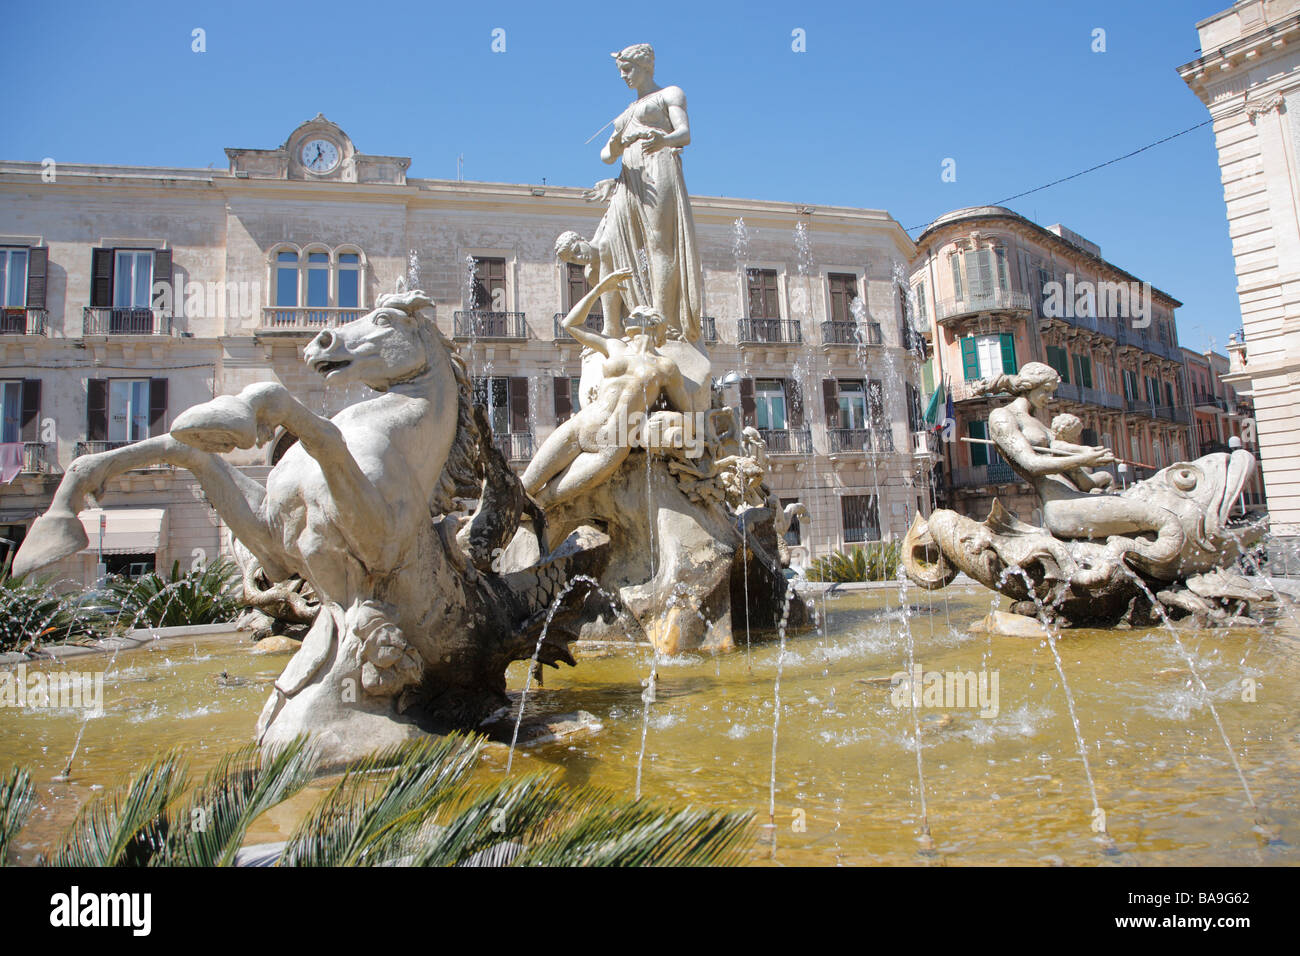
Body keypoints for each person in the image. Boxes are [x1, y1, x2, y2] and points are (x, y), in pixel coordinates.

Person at [522, 268, 694, 509]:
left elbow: (688, 412)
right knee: (524, 487)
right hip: (582, 423)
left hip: (613, 442)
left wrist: (660, 421)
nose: (627, 319)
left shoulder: (666, 367)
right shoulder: (615, 346)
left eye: (634, 316)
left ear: (652, 324)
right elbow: (571, 324)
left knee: (544, 502)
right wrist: (600, 289)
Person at [598, 43, 702, 344]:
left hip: (658, 165)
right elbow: (606, 154)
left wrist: (664, 139)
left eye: (627, 69)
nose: (623, 76)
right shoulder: (626, 112)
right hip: (627, 178)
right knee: (608, 245)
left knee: (660, 243)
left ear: (645, 66)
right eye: (620, 71)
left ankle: (662, 320)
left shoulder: (670, 93)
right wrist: (619, 143)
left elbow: (686, 134)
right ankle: (612, 326)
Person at [1048, 412, 1114, 493]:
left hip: (1084, 477)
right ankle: (1104, 495)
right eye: (1074, 435)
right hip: (1085, 482)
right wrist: (1089, 451)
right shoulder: (1059, 444)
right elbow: (1079, 449)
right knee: (1107, 477)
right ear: (1066, 432)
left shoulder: (1062, 445)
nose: (1076, 438)